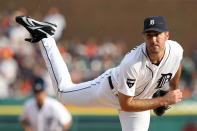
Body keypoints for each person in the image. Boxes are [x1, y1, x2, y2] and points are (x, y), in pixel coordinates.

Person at [16, 15, 183, 131]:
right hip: (110, 92)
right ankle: (45, 37)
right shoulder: (133, 62)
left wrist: (172, 90)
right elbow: (127, 104)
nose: (153, 39)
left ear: (166, 35)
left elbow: (176, 64)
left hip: (140, 102)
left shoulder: (175, 50)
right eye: (149, 35)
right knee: (62, 92)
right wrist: (162, 101)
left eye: (157, 34)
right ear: (144, 37)